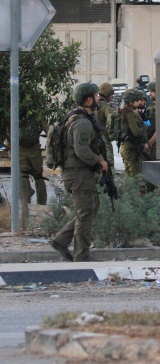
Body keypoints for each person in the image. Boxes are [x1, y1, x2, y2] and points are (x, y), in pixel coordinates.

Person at [50, 83, 108, 262]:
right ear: (89, 100)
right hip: (79, 173)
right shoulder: (82, 122)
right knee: (85, 214)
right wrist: (99, 161)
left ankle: (61, 240)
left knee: (89, 210)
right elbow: (81, 150)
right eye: (97, 96)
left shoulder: (79, 118)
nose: (99, 99)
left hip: (78, 173)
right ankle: (82, 255)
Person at [18, 112, 49, 205]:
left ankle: (25, 202)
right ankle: (42, 202)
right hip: (34, 148)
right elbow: (47, 129)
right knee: (38, 176)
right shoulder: (36, 111)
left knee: (24, 175)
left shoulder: (14, 109)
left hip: (20, 148)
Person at [118, 88, 150, 177]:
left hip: (127, 147)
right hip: (131, 148)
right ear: (131, 101)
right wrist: (145, 125)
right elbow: (136, 132)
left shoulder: (126, 112)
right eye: (137, 100)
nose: (139, 102)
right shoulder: (130, 114)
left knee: (129, 175)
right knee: (136, 176)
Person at [97, 82, 115, 170]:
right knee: (109, 167)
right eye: (111, 95)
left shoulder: (94, 105)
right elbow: (111, 123)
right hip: (104, 142)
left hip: (94, 141)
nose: (112, 97)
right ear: (107, 94)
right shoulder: (106, 107)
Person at [146, 82, 156, 160]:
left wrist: (150, 142)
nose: (150, 94)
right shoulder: (152, 106)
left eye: (152, 92)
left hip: (156, 144)